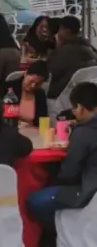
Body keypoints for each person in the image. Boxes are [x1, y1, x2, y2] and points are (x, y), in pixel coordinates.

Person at [27, 83, 97, 225]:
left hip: (86, 191)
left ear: (80, 108)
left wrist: (53, 183)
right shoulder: (84, 130)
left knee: (33, 201)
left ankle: (54, 232)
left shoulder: (84, 133)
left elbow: (69, 171)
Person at [47, 16, 97, 99]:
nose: (58, 33)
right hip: (85, 94)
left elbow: (50, 73)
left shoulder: (65, 51)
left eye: (60, 30)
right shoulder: (89, 47)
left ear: (67, 31)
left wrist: (57, 49)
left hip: (61, 95)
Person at [3, 61, 49, 126]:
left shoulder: (40, 94)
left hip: (32, 132)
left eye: (37, 84)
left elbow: (43, 121)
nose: (33, 86)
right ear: (25, 74)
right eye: (31, 81)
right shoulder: (10, 88)